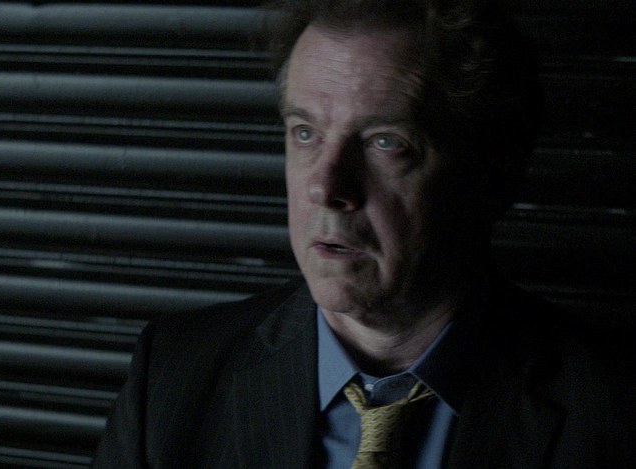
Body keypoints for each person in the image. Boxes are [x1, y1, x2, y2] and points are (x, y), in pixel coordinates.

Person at [92, 0, 635, 467]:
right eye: (305, 133)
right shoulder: (172, 379)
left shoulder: (612, 413)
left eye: (385, 142)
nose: (325, 187)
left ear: (493, 174)